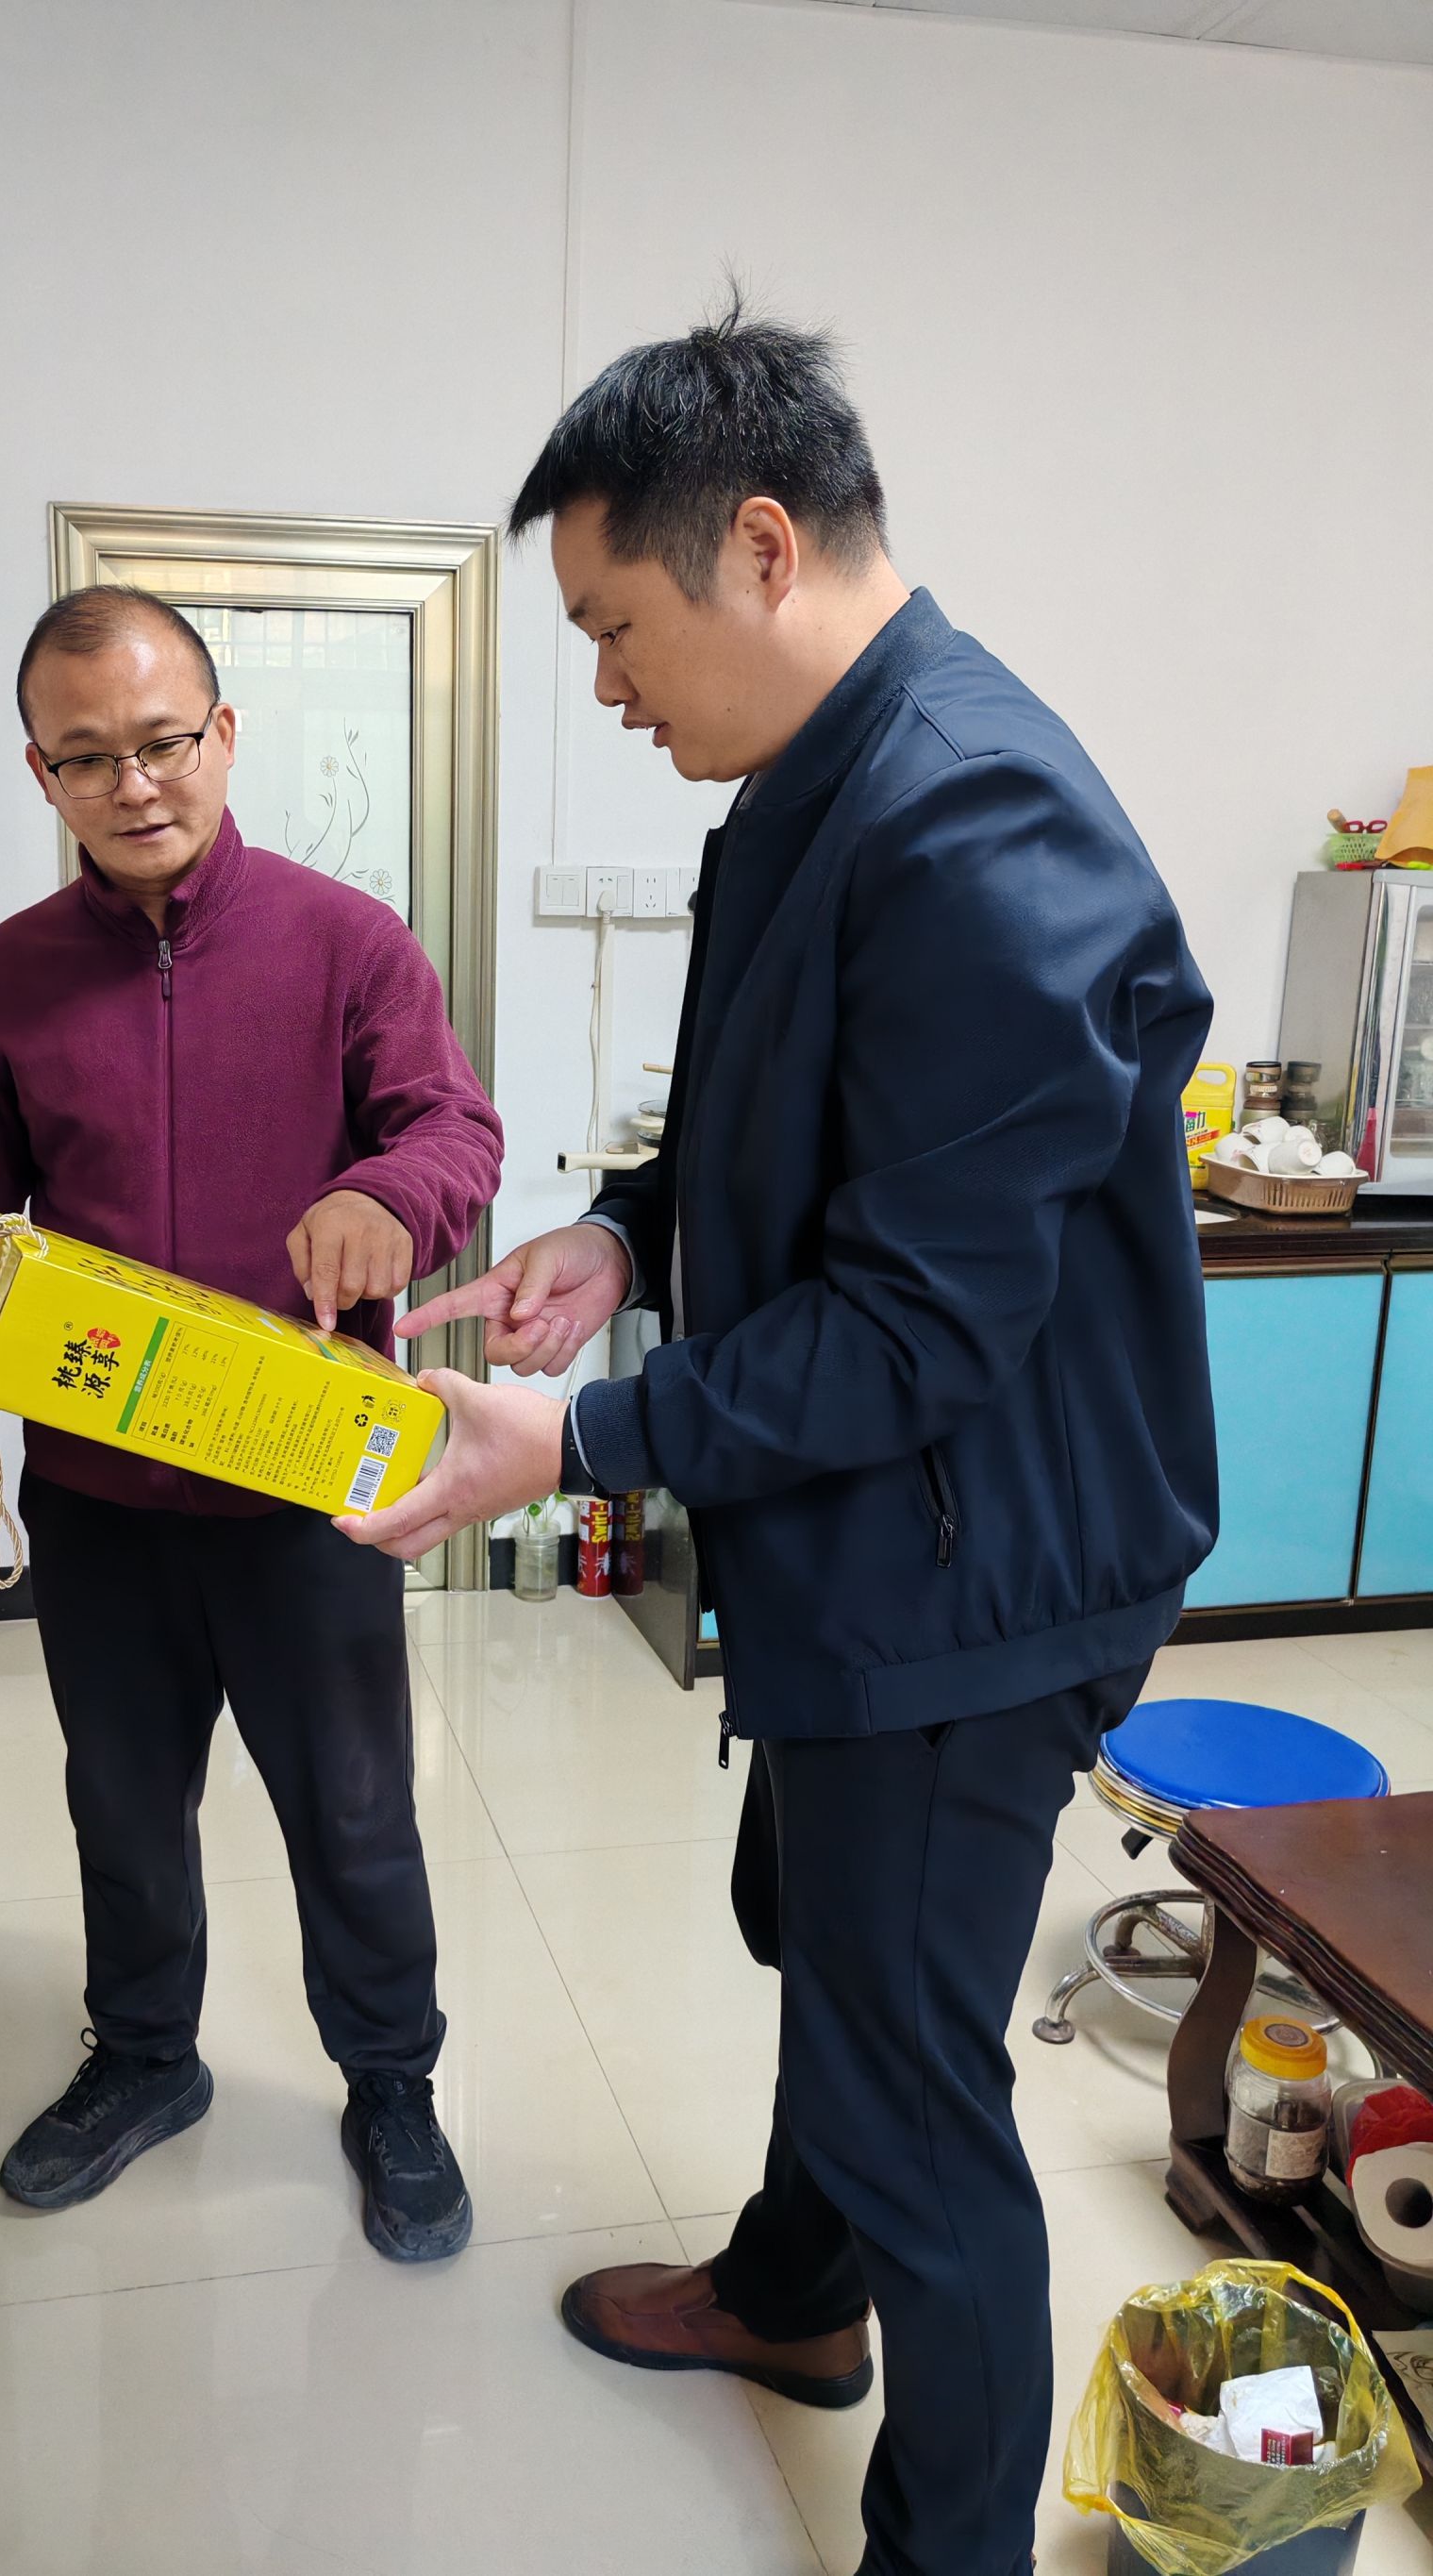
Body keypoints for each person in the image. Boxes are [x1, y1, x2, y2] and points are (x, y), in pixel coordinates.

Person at [340, 305, 1218, 2570]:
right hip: (878, 1525)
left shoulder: (977, 821)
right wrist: (622, 1235)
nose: (605, 688)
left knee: (912, 2091)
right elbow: (790, 1121)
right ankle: (790, 2296)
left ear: (754, 546)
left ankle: (945, 2540)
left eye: (611, 629)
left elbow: (916, 1324)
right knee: (832, 1958)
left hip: (972, 1572)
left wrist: (576, 1440)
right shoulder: (813, 790)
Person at [0, 585, 502, 2262]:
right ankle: (147, 2056)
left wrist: (388, 1194)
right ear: (42, 772)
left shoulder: (348, 944)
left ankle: (392, 2081)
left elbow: (455, 1130)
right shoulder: (6, 981)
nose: (136, 782)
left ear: (226, 735)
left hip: (308, 1489)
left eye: (164, 741)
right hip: (101, 1495)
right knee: (121, 1799)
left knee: (356, 1810)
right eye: (88, 756)